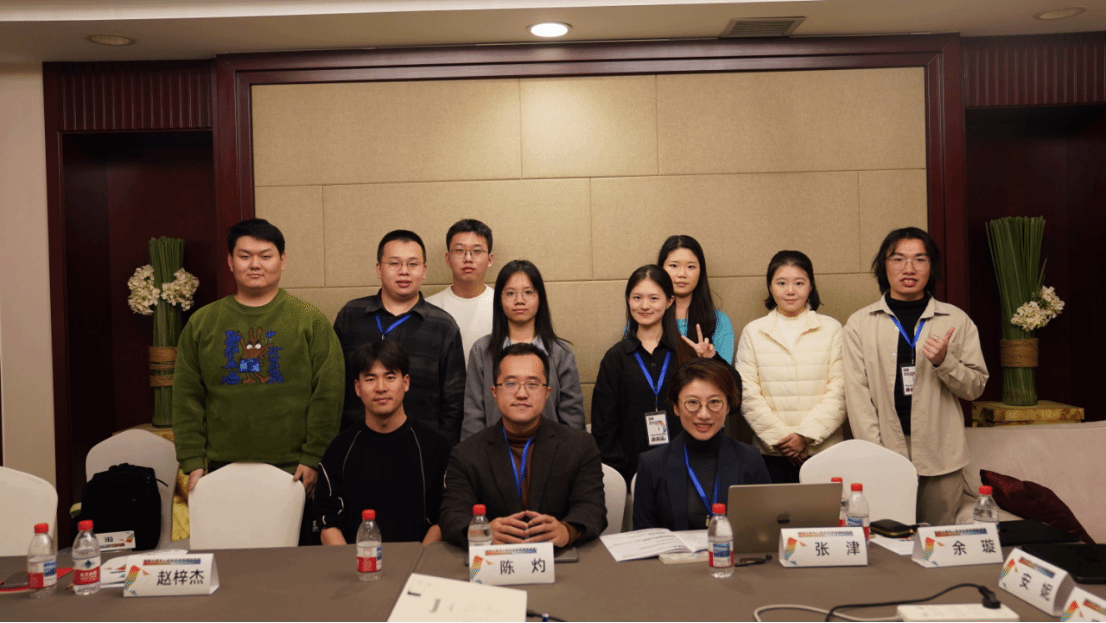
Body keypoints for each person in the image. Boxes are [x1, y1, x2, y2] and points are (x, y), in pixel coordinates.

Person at [173, 218, 344, 542]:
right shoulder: (202, 323)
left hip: (293, 471)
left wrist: (314, 457)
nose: (255, 264)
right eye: (245, 255)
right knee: (228, 560)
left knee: (290, 562)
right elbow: (186, 397)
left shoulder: (310, 320)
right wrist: (192, 460)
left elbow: (329, 394)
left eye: (265, 256)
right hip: (221, 471)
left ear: (282, 260)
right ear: (230, 261)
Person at [844, 227, 988, 526]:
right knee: (886, 540)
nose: (909, 268)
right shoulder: (860, 324)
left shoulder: (956, 320)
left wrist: (945, 362)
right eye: (898, 259)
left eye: (919, 259)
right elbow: (857, 396)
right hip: (884, 448)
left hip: (941, 454)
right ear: (884, 266)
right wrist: (874, 453)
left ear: (931, 266)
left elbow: (975, 388)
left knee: (938, 541)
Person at [439, 343, 607, 547]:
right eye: (510, 384)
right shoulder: (466, 454)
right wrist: (481, 532)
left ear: (547, 392)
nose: (521, 394)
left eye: (532, 384)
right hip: (495, 557)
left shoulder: (580, 446)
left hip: (557, 556)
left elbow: (592, 507)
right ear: (494, 392)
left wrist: (567, 531)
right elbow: (451, 514)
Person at [333, 230, 466, 443]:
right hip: (357, 443)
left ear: (424, 270)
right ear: (379, 269)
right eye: (394, 263)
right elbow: (334, 385)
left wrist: (444, 451)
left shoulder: (443, 325)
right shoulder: (351, 315)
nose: (404, 271)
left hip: (422, 447)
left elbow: (454, 402)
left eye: (413, 264)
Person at [315, 340, 450, 545]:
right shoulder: (339, 449)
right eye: (370, 379)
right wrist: (353, 563)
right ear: (357, 388)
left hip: (419, 561)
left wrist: (418, 561)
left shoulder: (436, 447)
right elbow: (328, 523)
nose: (381, 388)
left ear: (406, 383)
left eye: (390, 377)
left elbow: (443, 517)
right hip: (355, 561)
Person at [734, 250, 846, 484]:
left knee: (823, 508)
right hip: (771, 453)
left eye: (799, 283)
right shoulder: (753, 332)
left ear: (811, 285)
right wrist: (783, 439)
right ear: (770, 286)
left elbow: (841, 389)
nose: (790, 290)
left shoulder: (832, 329)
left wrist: (805, 436)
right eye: (781, 283)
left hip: (824, 451)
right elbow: (747, 392)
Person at [592, 265, 699, 483]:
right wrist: (621, 474)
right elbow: (604, 426)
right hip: (630, 472)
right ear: (628, 300)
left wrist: (710, 361)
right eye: (637, 297)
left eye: (653, 298)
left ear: (669, 301)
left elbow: (713, 408)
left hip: (685, 469)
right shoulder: (615, 358)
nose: (644, 306)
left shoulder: (686, 354)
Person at [634, 358, 769, 530]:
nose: (704, 414)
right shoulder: (652, 464)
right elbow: (643, 538)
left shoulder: (750, 459)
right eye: (692, 402)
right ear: (676, 407)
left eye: (714, 402)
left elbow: (764, 531)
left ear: (728, 406)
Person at [462, 260, 584, 440]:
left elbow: (573, 419)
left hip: (552, 451)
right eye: (510, 293)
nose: (519, 300)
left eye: (528, 292)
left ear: (540, 298)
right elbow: (473, 417)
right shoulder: (482, 351)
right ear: (499, 300)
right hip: (494, 451)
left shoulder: (561, 353)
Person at [425, 219, 495, 365]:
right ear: (447, 259)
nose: (468, 258)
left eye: (477, 251)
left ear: (490, 259)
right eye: (459, 250)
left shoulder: (503, 305)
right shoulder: (429, 308)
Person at [658, 235, 736, 364]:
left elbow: (725, 373)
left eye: (690, 267)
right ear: (661, 269)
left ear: (701, 272)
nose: (682, 274)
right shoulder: (646, 315)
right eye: (673, 265)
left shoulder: (719, 321)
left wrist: (709, 360)